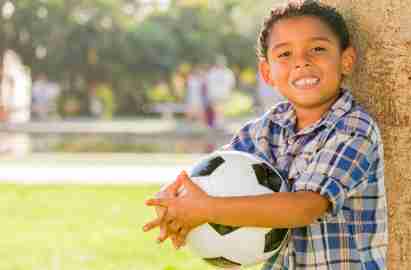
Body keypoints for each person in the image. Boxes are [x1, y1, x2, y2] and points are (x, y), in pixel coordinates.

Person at [143, 1, 388, 269]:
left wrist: (206, 209)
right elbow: (213, 174)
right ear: (267, 72)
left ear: (346, 60)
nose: (302, 62)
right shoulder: (265, 128)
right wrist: (175, 202)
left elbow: (304, 207)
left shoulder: (353, 128)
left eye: (318, 49)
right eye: (285, 54)